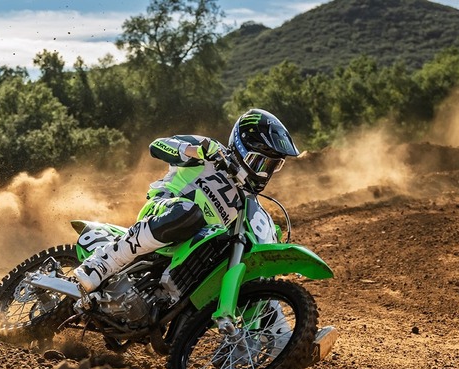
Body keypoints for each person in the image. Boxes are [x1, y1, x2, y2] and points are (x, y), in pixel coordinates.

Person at [72, 108, 300, 293]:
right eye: (259, 163)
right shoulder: (213, 152)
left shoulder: (247, 201)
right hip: (164, 208)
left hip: (192, 245)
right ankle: (102, 262)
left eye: (271, 167)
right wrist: (197, 150)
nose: (263, 174)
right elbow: (157, 146)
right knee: (189, 212)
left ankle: (278, 334)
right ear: (240, 147)